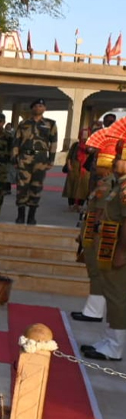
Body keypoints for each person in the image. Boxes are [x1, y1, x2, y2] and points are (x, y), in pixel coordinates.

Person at [83, 146, 126, 361]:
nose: (115, 161)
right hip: (109, 244)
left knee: (118, 297)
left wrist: (122, 251)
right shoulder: (119, 185)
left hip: (119, 247)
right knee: (111, 294)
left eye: (119, 158)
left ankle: (116, 346)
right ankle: (109, 339)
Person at [72, 148, 116, 324]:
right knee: (93, 272)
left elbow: (99, 210)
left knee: (96, 273)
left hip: (96, 233)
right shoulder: (104, 182)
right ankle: (92, 309)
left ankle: (94, 311)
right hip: (90, 230)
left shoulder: (107, 184)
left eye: (98, 163)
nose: (94, 166)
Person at [13, 98, 58, 225]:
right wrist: (15, 158)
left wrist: (51, 159)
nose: (39, 108)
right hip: (25, 157)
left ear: (45, 109)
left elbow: (53, 142)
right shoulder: (24, 123)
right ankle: (20, 216)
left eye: (41, 106)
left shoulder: (51, 124)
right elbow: (16, 141)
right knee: (22, 186)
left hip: (41, 158)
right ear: (32, 108)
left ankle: (31, 216)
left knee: (36, 186)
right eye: (36, 106)